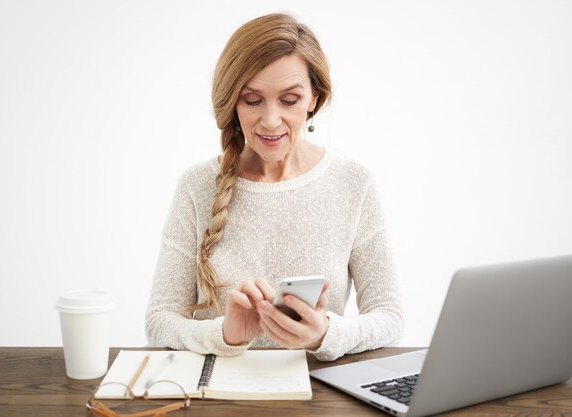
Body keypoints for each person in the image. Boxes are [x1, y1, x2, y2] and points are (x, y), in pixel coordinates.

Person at [145, 13, 403, 362]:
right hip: (221, 394)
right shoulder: (197, 186)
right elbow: (159, 322)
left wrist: (326, 332)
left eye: (289, 100)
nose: (269, 120)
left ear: (314, 98)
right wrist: (224, 334)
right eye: (252, 100)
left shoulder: (353, 182)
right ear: (232, 103)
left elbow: (389, 315)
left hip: (318, 396)